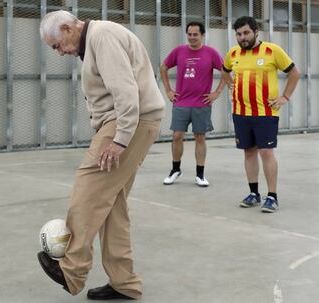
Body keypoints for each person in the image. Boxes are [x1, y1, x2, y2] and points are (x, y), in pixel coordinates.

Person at [37, 10, 165, 300]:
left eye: (57, 45)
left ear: (68, 28)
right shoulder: (96, 39)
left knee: (88, 190)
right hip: (132, 123)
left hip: (127, 124)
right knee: (111, 207)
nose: (59, 53)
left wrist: (120, 139)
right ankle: (125, 283)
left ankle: (71, 270)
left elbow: (125, 90)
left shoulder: (102, 35)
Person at [222, 16, 299, 213]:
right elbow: (225, 71)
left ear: (256, 32)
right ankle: (254, 193)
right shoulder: (233, 53)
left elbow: (294, 73)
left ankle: (272, 196)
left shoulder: (272, 51)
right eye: (238, 34)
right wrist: (232, 87)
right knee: (249, 152)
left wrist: (285, 97)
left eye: (246, 33)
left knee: (266, 152)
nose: (242, 37)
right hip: (240, 112)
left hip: (265, 113)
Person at [161, 21, 226, 187]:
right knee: (177, 136)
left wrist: (217, 92)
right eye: (189, 34)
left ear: (202, 35)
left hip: (201, 104)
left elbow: (226, 71)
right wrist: (168, 90)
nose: (192, 37)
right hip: (181, 102)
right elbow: (163, 67)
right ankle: (176, 169)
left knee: (200, 137)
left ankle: (200, 174)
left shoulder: (211, 53)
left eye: (195, 34)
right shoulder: (179, 51)